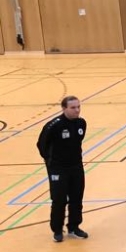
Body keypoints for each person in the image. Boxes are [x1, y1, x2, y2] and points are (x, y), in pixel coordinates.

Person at [36, 95, 88, 243]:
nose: (77, 110)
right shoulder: (54, 125)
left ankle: (74, 227)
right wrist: (51, 162)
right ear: (64, 108)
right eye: (73, 107)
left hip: (76, 166)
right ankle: (57, 230)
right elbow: (41, 145)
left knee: (76, 197)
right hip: (58, 169)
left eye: (78, 107)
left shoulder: (81, 123)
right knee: (59, 199)